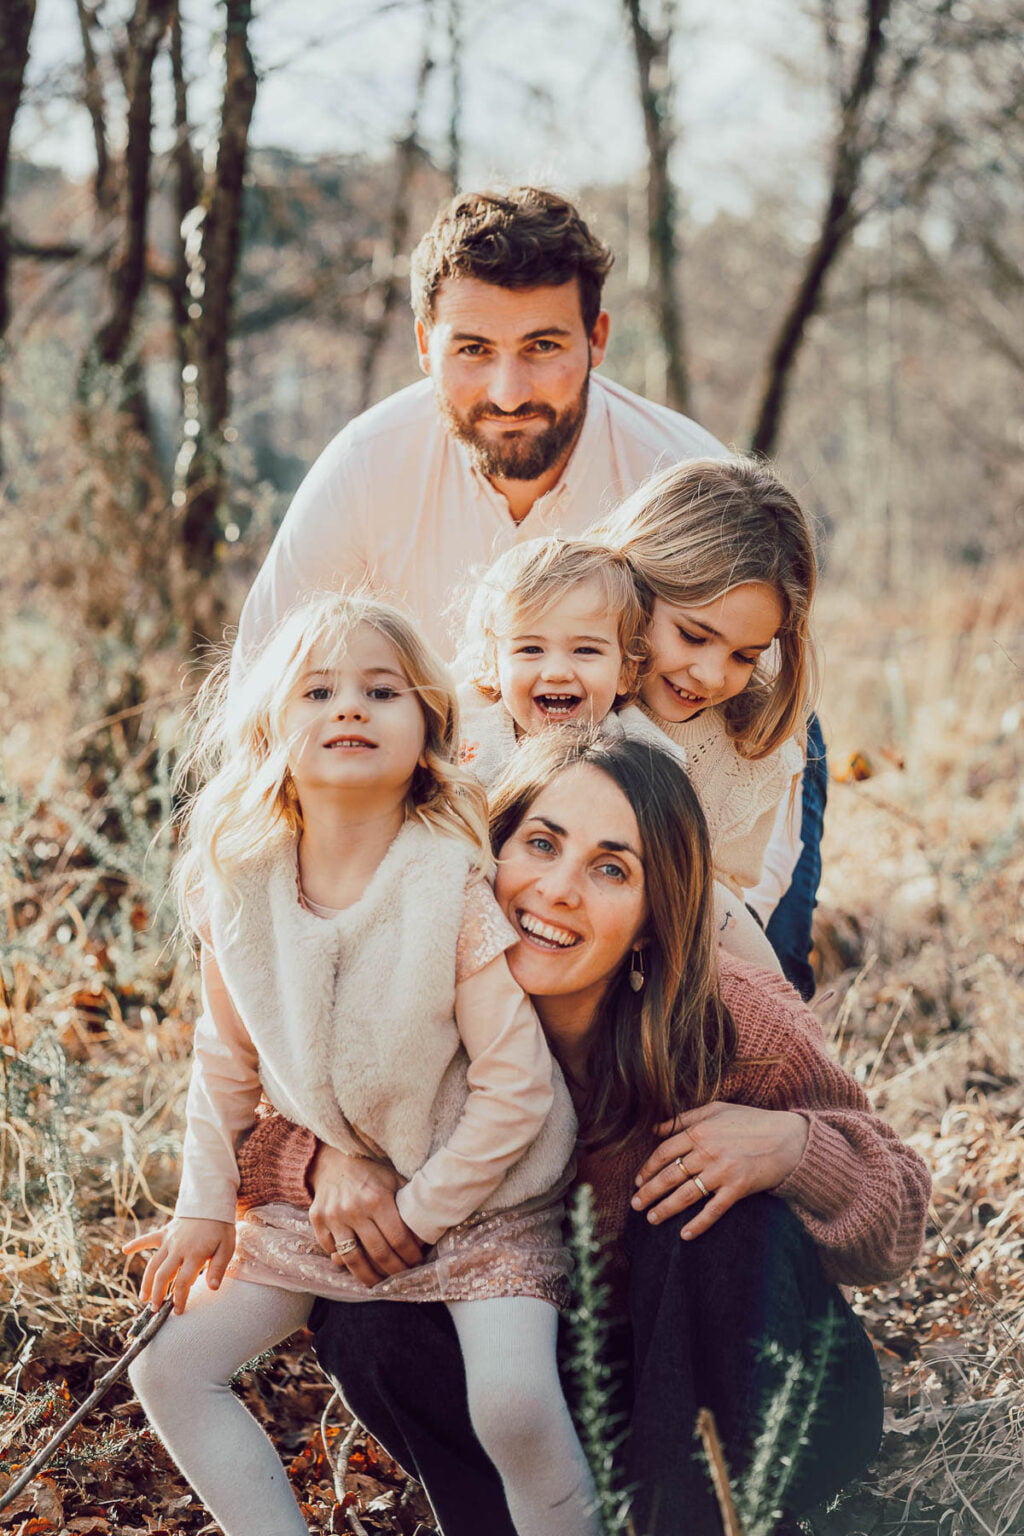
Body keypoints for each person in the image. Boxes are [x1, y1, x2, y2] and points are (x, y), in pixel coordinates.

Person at [241, 731, 931, 1536]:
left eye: (612, 869)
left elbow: (897, 1223)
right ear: (488, 857)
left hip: (759, 1403)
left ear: (650, 921)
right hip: (550, 1406)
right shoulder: (408, 995)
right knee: (368, 1310)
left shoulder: (731, 1020)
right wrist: (322, 1160)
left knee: (713, 1210)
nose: (559, 890)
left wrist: (791, 1148)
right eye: (541, 844)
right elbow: (249, 1129)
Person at [232, 185, 824, 993]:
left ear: (597, 337)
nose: (509, 391)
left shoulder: (681, 472)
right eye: (473, 349)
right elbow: (262, 696)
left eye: (544, 346)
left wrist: (713, 948)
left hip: (689, 771)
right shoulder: (365, 467)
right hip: (459, 779)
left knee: (752, 1001)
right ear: (424, 345)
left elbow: (763, 689)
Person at [123, 592, 601, 1536]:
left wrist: (419, 1215)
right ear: (270, 730)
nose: (349, 706)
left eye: (382, 691)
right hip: (325, 1215)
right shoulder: (239, 883)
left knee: (513, 1406)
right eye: (318, 692)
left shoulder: (453, 881)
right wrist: (204, 1204)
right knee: (169, 1367)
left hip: (488, 1202)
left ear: (428, 731)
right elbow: (225, 1059)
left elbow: (516, 1090)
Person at [456, 532, 785, 974]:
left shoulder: (641, 756)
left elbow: (701, 898)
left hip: (577, 947)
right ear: (494, 664)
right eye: (530, 649)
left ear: (628, 670)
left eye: (586, 650)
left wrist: (767, 980)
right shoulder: (464, 728)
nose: (557, 671)